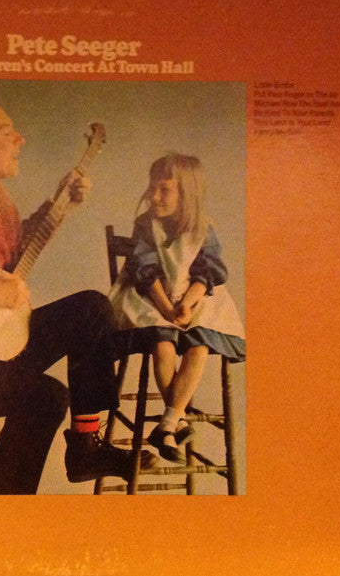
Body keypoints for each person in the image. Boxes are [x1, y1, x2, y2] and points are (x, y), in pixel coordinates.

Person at [0, 89, 155, 495]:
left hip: (0, 339)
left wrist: (60, 206)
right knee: (47, 397)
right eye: (6, 132)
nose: (20, 139)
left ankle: (85, 447)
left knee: (91, 308)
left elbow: (12, 264)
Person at [109, 152, 245, 463]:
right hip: (152, 294)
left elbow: (208, 271)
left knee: (199, 345)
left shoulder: (203, 228)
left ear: (187, 196)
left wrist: (186, 303)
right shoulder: (146, 225)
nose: (154, 196)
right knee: (163, 342)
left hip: (193, 296)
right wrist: (167, 308)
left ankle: (169, 422)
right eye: (152, 188)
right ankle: (175, 420)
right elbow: (144, 268)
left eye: (164, 190)